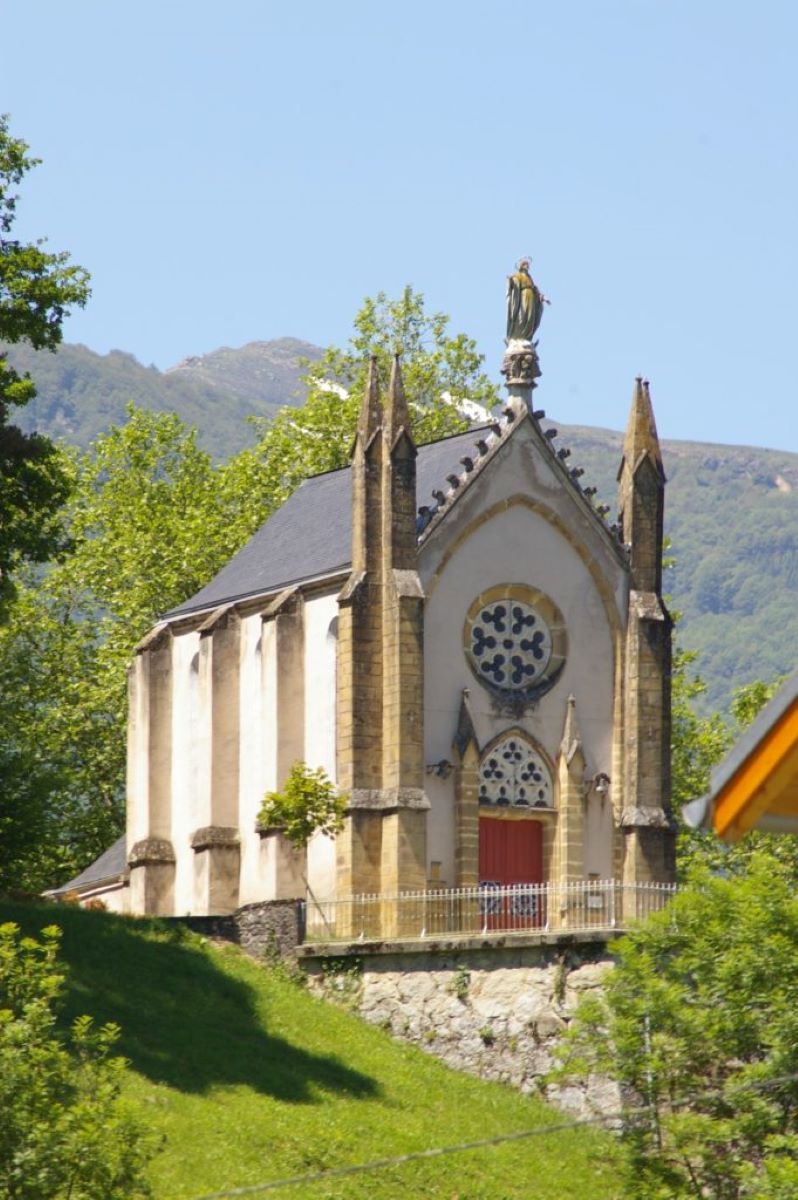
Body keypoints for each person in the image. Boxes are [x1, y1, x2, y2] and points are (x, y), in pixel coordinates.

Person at [506, 259, 546, 342]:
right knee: (522, 315)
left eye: (528, 265)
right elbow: (514, 283)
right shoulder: (517, 275)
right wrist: (511, 280)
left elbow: (534, 288)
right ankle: (518, 335)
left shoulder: (529, 277)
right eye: (525, 264)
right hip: (523, 296)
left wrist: (540, 296)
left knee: (530, 317)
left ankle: (527, 337)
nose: (527, 266)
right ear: (521, 266)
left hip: (531, 297)